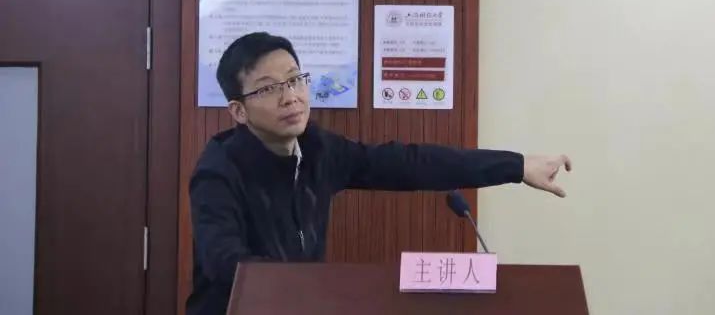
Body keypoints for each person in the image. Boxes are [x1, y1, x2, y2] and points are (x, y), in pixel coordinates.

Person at [187, 32, 572, 315]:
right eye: (268, 89)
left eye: (294, 79)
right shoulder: (218, 172)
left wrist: (516, 165)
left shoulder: (319, 150)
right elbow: (226, 263)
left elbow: (409, 163)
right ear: (239, 111)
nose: (290, 97)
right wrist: (323, 291)